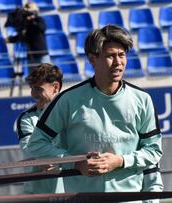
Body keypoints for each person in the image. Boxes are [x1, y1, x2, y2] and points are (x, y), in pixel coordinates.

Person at [26, 25, 163, 194]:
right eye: (110, 56)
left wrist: (120, 161)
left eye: (122, 55)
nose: (118, 62)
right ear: (92, 59)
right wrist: (74, 162)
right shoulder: (68, 100)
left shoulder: (142, 99)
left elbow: (154, 150)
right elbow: (36, 144)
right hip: (83, 197)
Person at [16, 63, 63, 194]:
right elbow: (29, 150)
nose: (33, 94)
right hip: (37, 194)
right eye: (32, 88)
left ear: (55, 87)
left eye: (38, 89)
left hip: (70, 191)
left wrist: (53, 158)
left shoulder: (73, 113)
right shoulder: (26, 118)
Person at [5, 2, 50, 74]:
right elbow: (21, 35)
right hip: (31, 55)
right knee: (33, 77)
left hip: (41, 54)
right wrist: (10, 39)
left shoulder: (39, 20)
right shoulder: (26, 23)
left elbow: (42, 28)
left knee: (47, 75)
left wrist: (32, 19)